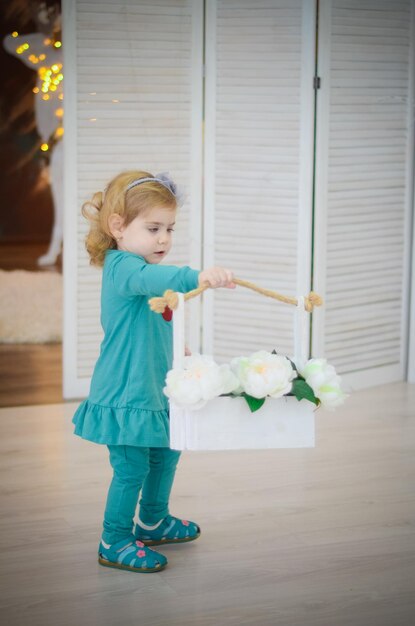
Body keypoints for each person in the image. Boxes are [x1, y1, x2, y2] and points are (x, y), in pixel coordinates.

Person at [72, 170, 235, 574]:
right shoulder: (123, 266)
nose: (164, 238)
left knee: (166, 454)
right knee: (131, 468)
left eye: (170, 229)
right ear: (118, 227)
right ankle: (114, 538)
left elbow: (153, 321)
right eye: (153, 228)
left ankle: (153, 520)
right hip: (126, 391)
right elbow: (153, 280)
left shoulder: (140, 266)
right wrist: (196, 276)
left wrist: (177, 349)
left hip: (155, 388)